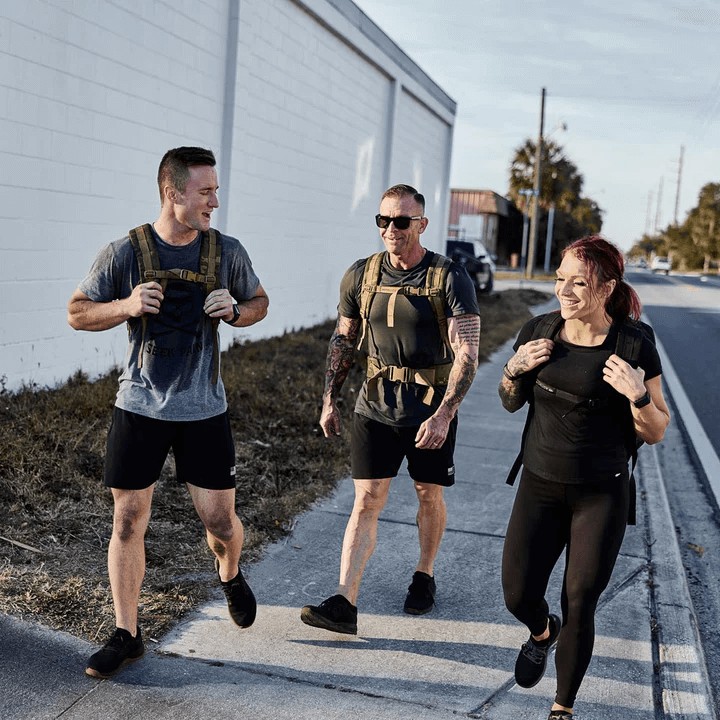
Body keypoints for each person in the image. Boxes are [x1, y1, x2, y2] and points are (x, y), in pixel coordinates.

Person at [67, 146, 269, 678]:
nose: (215, 202)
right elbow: (77, 311)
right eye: (206, 192)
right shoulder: (124, 252)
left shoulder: (227, 251)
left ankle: (229, 572)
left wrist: (238, 310)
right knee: (128, 518)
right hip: (138, 406)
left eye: (216, 191)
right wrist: (125, 306)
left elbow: (260, 302)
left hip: (204, 408)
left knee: (221, 522)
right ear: (172, 192)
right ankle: (126, 633)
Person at [498, 235, 670, 720]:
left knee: (580, 599)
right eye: (560, 279)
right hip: (539, 484)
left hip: (602, 492)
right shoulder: (540, 331)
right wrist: (513, 368)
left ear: (607, 287)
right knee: (517, 593)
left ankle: (562, 708)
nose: (565, 291)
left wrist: (637, 396)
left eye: (579, 282)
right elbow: (510, 400)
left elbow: (656, 430)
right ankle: (540, 632)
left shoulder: (634, 343)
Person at [300, 184, 481, 635]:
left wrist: (444, 414)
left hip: (429, 408)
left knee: (427, 493)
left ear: (421, 224)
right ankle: (345, 600)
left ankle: (424, 573)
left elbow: (468, 353)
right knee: (366, 499)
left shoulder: (449, 277)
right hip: (375, 404)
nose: (391, 229)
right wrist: (329, 398)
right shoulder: (360, 275)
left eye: (401, 221)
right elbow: (343, 339)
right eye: (383, 220)